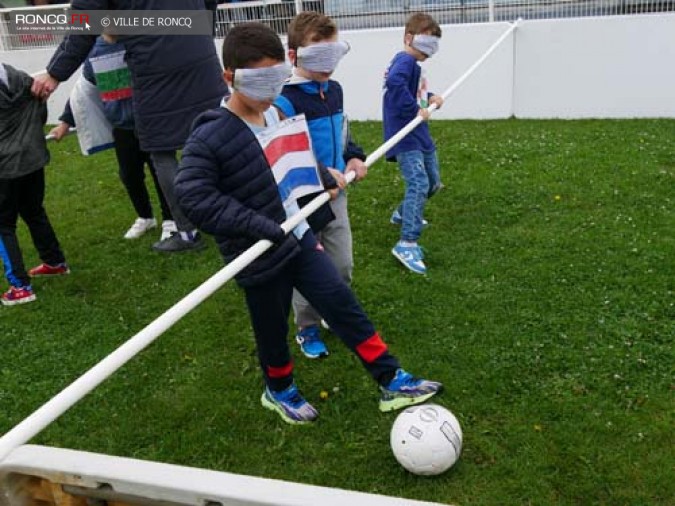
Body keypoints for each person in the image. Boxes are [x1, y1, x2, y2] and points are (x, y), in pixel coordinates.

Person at [174, 22, 442, 424]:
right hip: (258, 252)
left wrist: (321, 175)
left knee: (340, 301)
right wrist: (256, 226)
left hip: (296, 234)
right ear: (229, 78)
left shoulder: (272, 117)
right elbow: (192, 195)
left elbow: (288, 161)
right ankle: (278, 390)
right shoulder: (211, 134)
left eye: (276, 77)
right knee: (271, 327)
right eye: (260, 80)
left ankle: (390, 378)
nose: (270, 89)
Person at [31, 0, 227, 253]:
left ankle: (187, 232)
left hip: (154, 67)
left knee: (160, 150)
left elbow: (83, 24)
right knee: (219, 137)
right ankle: (239, 209)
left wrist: (54, 73)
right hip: (200, 55)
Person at [273, 11, 367, 360]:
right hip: (303, 201)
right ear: (293, 54)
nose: (328, 67)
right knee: (309, 265)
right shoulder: (285, 100)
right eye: (318, 57)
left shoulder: (335, 90)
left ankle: (334, 308)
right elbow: (283, 150)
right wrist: (321, 173)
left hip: (337, 196)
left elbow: (343, 130)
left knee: (341, 263)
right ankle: (307, 326)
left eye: (333, 56)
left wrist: (353, 156)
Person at [49, 36, 177, 242]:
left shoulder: (138, 42)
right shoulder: (94, 50)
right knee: (129, 175)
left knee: (161, 171)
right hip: (121, 126)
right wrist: (65, 121)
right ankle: (145, 217)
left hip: (150, 123)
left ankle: (172, 219)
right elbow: (84, 90)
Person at [0, 63, 69, 306]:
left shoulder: (19, 78)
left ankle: (19, 286)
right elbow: (39, 112)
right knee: (33, 210)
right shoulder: (18, 76)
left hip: (6, 167)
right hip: (32, 158)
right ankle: (55, 262)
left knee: (3, 225)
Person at [383, 12, 444, 275]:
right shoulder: (405, 61)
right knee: (418, 183)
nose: (429, 51)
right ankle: (407, 243)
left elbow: (412, 91)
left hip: (420, 133)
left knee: (432, 182)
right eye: (426, 43)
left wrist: (430, 97)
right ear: (409, 38)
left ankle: (402, 213)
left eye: (434, 45)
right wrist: (414, 110)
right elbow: (394, 84)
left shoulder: (414, 65)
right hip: (405, 135)